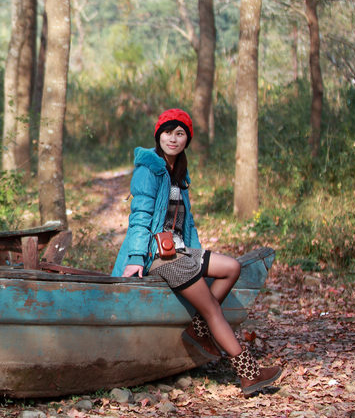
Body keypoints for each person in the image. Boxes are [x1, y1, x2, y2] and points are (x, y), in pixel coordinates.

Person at [111, 108, 282, 395]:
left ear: (187, 140)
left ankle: (198, 329)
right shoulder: (149, 169)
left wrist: (196, 256)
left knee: (231, 268)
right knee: (212, 307)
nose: (173, 139)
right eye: (168, 132)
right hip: (158, 257)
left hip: (179, 252)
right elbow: (140, 216)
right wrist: (136, 259)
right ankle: (248, 373)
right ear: (158, 135)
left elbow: (185, 221)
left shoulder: (178, 173)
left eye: (180, 134)